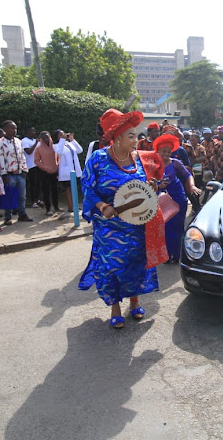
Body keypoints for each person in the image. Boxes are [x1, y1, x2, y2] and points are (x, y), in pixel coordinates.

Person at [78, 109, 165, 329]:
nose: (136, 140)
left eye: (136, 135)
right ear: (116, 138)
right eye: (131, 136)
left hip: (135, 225)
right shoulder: (98, 159)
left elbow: (144, 188)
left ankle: (135, 302)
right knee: (111, 266)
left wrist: (151, 187)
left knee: (135, 264)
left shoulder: (140, 160)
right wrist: (101, 205)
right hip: (109, 227)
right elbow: (87, 187)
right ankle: (115, 308)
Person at [154, 133, 201, 262]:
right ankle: (167, 255)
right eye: (163, 151)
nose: (166, 154)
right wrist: (158, 186)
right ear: (157, 150)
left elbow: (188, 175)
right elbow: (146, 181)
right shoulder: (152, 164)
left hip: (178, 198)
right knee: (164, 227)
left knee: (178, 227)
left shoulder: (175, 163)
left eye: (169, 151)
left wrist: (191, 186)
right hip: (161, 200)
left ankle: (177, 254)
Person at [0, 120, 32, 225]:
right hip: (9, 174)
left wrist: (25, 169)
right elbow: (0, 159)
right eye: (12, 128)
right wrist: (4, 174)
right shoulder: (0, 142)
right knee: (9, 196)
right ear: (5, 129)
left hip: (20, 173)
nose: (14, 130)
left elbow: (22, 156)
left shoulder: (18, 141)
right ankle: (8, 217)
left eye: (15, 128)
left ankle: (22, 214)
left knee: (22, 196)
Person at [54, 129, 83, 219]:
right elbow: (59, 152)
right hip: (66, 172)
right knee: (69, 188)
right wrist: (62, 140)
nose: (63, 136)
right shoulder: (56, 146)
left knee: (75, 188)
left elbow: (79, 150)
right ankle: (71, 207)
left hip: (75, 170)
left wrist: (72, 140)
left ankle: (75, 205)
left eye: (64, 134)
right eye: (61, 135)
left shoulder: (69, 144)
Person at [34, 130, 61, 216]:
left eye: (47, 137)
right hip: (44, 172)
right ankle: (48, 209)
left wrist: (57, 165)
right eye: (44, 138)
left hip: (54, 171)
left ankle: (56, 206)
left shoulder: (54, 147)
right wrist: (44, 167)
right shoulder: (39, 148)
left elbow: (58, 156)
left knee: (55, 190)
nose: (46, 139)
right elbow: (36, 160)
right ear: (41, 139)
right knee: (46, 190)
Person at [21, 126, 42, 209]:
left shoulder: (35, 140)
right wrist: (36, 143)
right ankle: (33, 201)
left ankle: (38, 199)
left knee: (38, 184)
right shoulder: (24, 141)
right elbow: (28, 152)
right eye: (31, 131)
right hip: (30, 165)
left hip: (38, 164)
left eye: (34, 131)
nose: (34, 133)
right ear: (27, 132)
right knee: (33, 184)